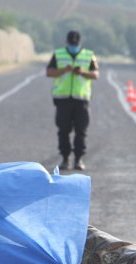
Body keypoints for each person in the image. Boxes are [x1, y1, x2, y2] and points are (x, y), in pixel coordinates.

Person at [46, 30, 99, 170]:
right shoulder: (58, 54)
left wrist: (82, 72)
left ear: (80, 43)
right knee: (63, 130)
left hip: (81, 99)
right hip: (63, 99)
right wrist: (64, 70)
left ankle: (79, 159)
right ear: (67, 42)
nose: (73, 46)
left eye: (75, 44)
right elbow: (49, 72)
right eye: (71, 44)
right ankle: (65, 158)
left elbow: (95, 74)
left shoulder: (89, 55)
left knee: (81, 131)